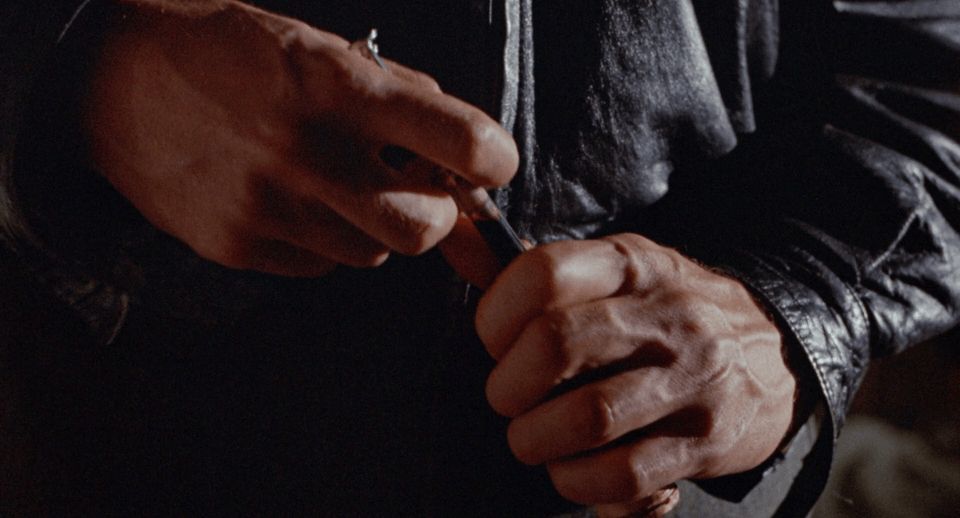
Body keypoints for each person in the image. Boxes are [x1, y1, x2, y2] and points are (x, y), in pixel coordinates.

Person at [0, 0, 957, 516]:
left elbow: (930, 58)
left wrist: (792, 312)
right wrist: (87, 72)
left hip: (680, 483)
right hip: (120, 451)